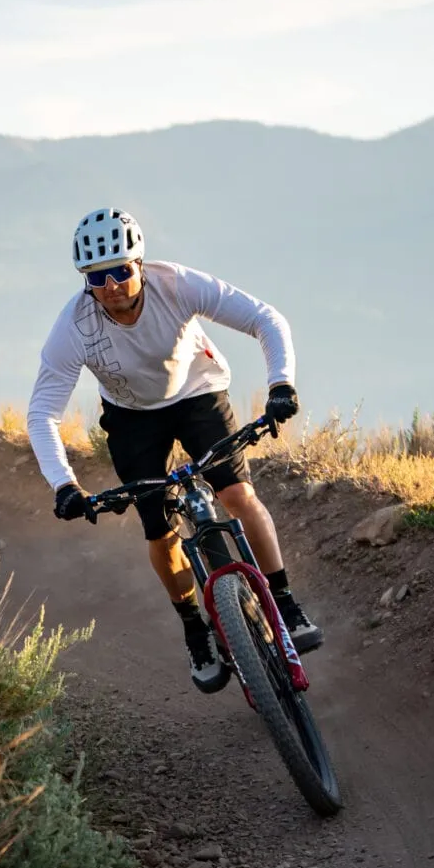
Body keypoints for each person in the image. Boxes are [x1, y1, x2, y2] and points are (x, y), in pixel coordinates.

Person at [29, 207, 323, 693]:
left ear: (139, 263)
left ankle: (286, 603)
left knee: (237, 496)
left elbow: (265, 319)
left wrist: (281, 386)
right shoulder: (74, 327)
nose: (111, 286)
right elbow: (42, 414)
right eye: (97, 277)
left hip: (197, 394)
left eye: (121, 270)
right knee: (160, 530)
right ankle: (195, 628)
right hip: (130, 416)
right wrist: (64, 485)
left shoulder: (177, 284)